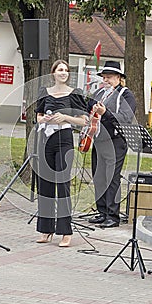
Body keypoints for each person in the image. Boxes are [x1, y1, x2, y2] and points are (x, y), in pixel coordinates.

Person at [35, 60, 88, 247]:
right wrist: (45, 119)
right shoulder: (45, 92)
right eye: (60, 70)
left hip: (64, 139)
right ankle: (46, 228)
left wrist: (65, 117)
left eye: (66, 70)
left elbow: (83, 121)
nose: (63, 73)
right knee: (46, 184)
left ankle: (65, 231)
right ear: (53, 73)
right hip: (46, 140)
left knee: (62, 184)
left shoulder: (74, 94)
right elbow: (38, 115)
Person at [87, 61, 137, 228]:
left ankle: (113, 216)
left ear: (119, 78)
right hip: (99, 139)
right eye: (104, 77)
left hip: (115, 141)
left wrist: (105, 113)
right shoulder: (99, 92)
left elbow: (125, 117)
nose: (106, 80)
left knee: (112, 178)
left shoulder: (126, 95)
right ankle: (102, 212)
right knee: (99, 176)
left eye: (109, 77)